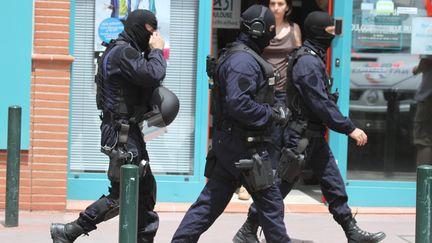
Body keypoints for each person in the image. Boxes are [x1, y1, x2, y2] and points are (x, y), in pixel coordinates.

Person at [235, 11, 387, 243]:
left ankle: (351, 231)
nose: (333, 36)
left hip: (312, 136)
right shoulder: (307, 61)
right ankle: (248, 229)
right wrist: (349, 128)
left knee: (333, 183)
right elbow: (320, 103)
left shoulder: (312, 57)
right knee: (278, 188)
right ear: (317, 31)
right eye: (328, 32)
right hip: (300, 137)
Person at [171, 4, 292, 243]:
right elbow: (239, 104)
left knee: (209, 204)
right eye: (269, 30)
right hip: (246, 147)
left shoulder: (241, 56)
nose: (271, 35)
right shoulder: (243, 62)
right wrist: (273, 114)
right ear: (258, 29)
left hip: (233, 143)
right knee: (271, 205)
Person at [50, 9, 167, 243]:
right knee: (125, 193)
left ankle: (73, 232)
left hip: (123, 131)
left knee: (142, 191)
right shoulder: (123, 53)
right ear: (137, 27)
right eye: (149, 32)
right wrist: (157, 51)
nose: (152, 37)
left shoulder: (120, 50)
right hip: (122, 135)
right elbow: (154, 74)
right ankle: (70, 231)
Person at [233, 0, 302, 241]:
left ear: (288, 7)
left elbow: (298, 59)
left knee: (288, 151)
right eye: (272, 3)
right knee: (268, 144)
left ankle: (254, 220)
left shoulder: (293, 29)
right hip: (261, 90)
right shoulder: (259, 29)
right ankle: (255, 184)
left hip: (284, 92)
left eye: (280, 3)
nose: (275, 7)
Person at [412, 55, 432, 165]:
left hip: (429, 99)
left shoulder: (427, 39)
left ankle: (423, 180)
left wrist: (416, 70)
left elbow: (426, 61)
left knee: (424, 141)